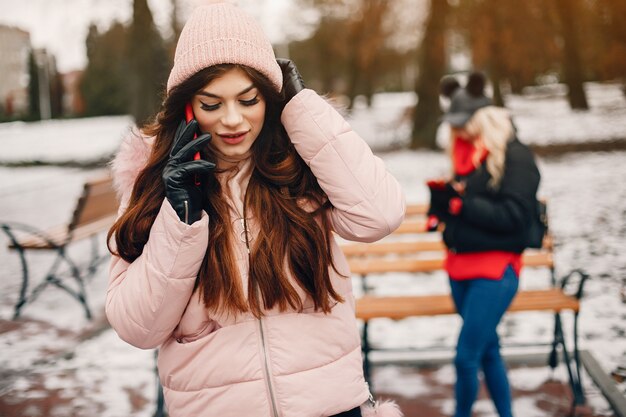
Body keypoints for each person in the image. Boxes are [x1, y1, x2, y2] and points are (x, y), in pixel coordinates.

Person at [105, 2, 405, 417]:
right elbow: (139, 326)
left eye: (248, 100)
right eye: (212, 104)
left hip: (330, 407)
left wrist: (303, 108)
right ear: (187, 108)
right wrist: (181, 221)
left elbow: (380, 215)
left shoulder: (302, 169)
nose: (233, 120)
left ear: (270, 97)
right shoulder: (156, 184)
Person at [427, 73, 540, 417]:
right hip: (460, 267)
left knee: (465, 358)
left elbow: (515, 216)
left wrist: (463, 205)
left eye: (464, 125)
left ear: (485, 120)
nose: (457, 133)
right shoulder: (466, 157)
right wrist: (443, 203)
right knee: (488, 350)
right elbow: (467, 208)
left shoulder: (516, 157)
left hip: (495, 271)